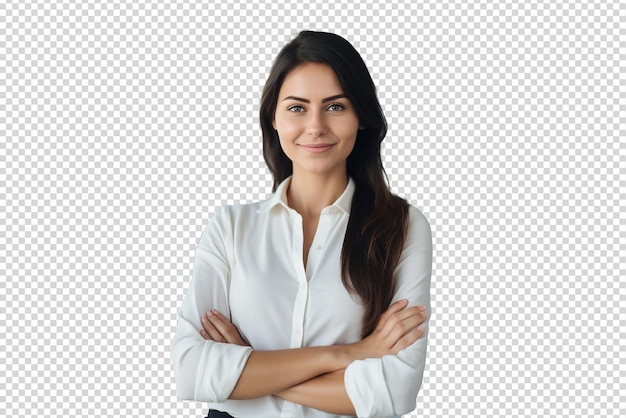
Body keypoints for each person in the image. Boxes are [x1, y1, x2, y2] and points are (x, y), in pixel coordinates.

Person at [171, 30, 432, 418]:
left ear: (361, 116)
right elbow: (191, 371)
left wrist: (247, 369)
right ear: (273, 118)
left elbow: (393, 391)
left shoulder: (402, 226)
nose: (315, 126)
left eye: (335, 107)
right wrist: (351, 354)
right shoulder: (230, 226)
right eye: (297, 107)